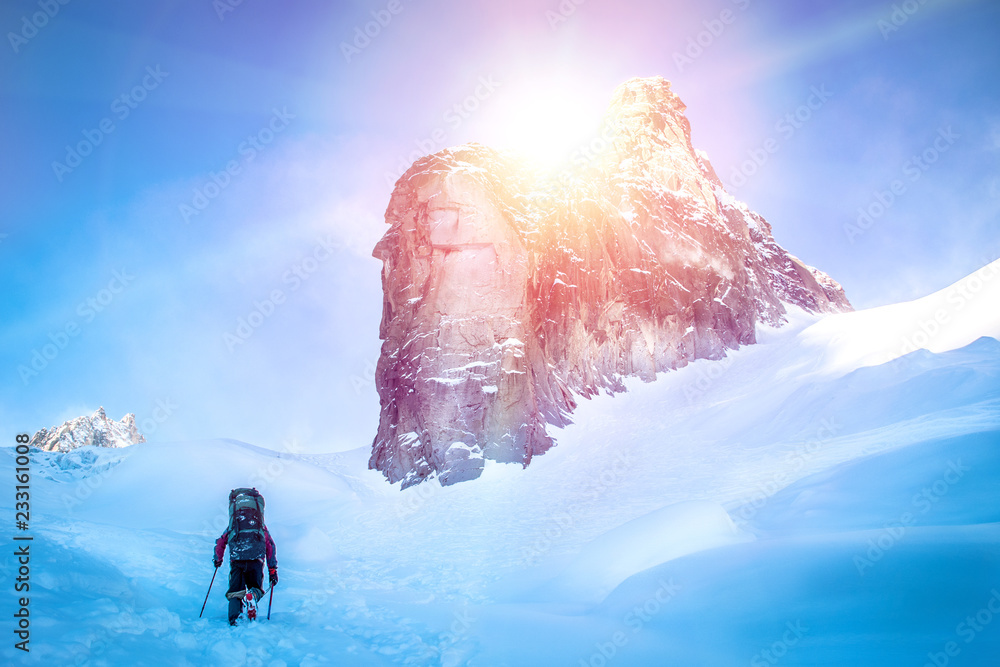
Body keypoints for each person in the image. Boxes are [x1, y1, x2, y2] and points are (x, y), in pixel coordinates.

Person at [213, 488, 278, 625]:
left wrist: (218, 560)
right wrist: (272, 570)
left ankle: (234, 619)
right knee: (256, 587)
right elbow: (270, 546)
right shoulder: (260, 527)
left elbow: (220, 542)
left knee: (235, 592)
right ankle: (253, 595)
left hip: (237, 559)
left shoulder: (234, 526)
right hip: (256, 559)